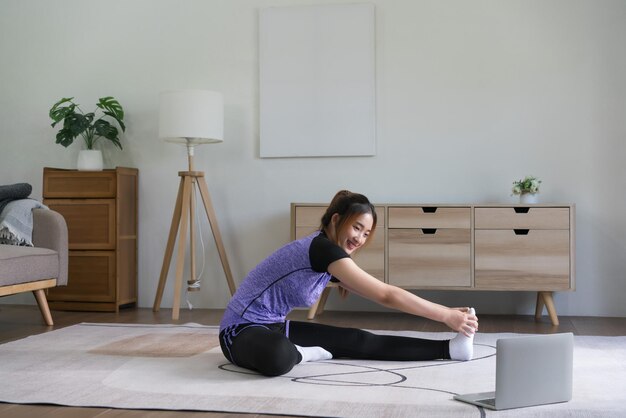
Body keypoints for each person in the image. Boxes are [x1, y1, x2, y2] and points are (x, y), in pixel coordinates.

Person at [219, 190, 479, 376]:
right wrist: (444, 314)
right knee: (278, 356)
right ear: (336, 220)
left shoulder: (328, 254)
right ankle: (301, 353)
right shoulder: (321, 249)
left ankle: (450, 349)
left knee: (358, 340)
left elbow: (379, 291)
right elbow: (386, 295)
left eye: (366, 233)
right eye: (356, 228)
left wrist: (448, 313)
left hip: (273, 327)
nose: (360, 239)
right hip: (239, 331)